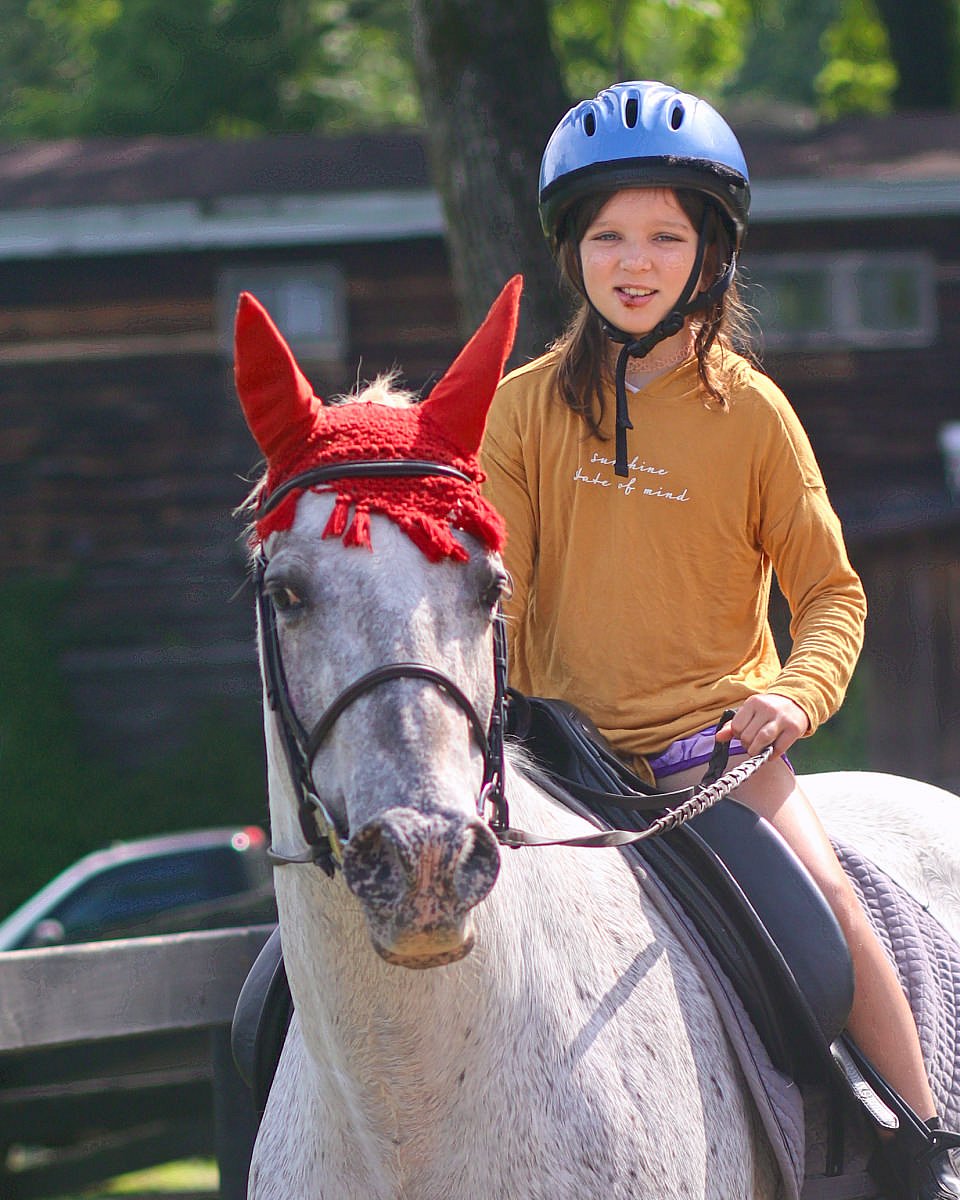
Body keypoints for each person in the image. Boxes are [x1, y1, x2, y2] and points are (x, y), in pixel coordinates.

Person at [480, 80, 959, 1200]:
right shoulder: (521, 410)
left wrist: (794, 695)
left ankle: (926, 1153)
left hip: (716, 762)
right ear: (572, 251)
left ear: (711, 254)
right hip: (560, 771)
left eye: (664, 236)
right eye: (608, 235)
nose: (634, 262)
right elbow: (498, 597)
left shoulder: (754, 416)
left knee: (832, 913)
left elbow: (832, 594)